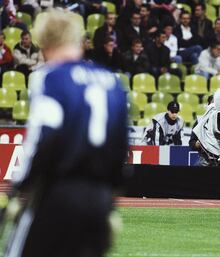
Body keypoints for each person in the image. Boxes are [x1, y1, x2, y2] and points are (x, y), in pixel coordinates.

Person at [4, 9, 128, 257]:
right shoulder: (112, 82)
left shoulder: (50, 77)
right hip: (99, 200)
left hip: (57, 195)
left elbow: (44, 136)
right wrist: (108, 203)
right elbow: (121, 152)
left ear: (44, 41)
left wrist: (17, 191)